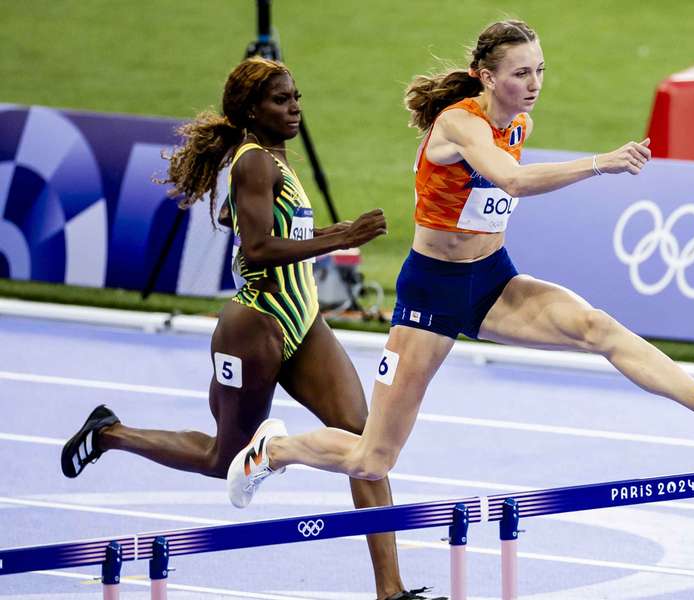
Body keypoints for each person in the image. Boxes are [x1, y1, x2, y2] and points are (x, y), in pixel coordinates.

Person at [227, 21, 694, 507]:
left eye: (540, 71)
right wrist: (603, 163)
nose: (534, 83)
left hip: (493, 281)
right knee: (374, 458)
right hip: (432, 294)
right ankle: (273, 451)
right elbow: (511, 181)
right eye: (521, 73)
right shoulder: (461, 124)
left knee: (596, 326)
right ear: (486, 76)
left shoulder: (518, 122)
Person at [60, 57, 443, 600]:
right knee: (226, 461)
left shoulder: (276, 161)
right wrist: (340, 236)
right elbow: (258, 249)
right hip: (254, 328)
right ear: (250, 110)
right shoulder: (253, 163)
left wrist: (306, 228)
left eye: (297, 97)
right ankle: (110, 433)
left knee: (366, 442)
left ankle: (391, 591)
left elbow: (260, 227)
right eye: (281, 100)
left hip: (303, 321)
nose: (295, 108)